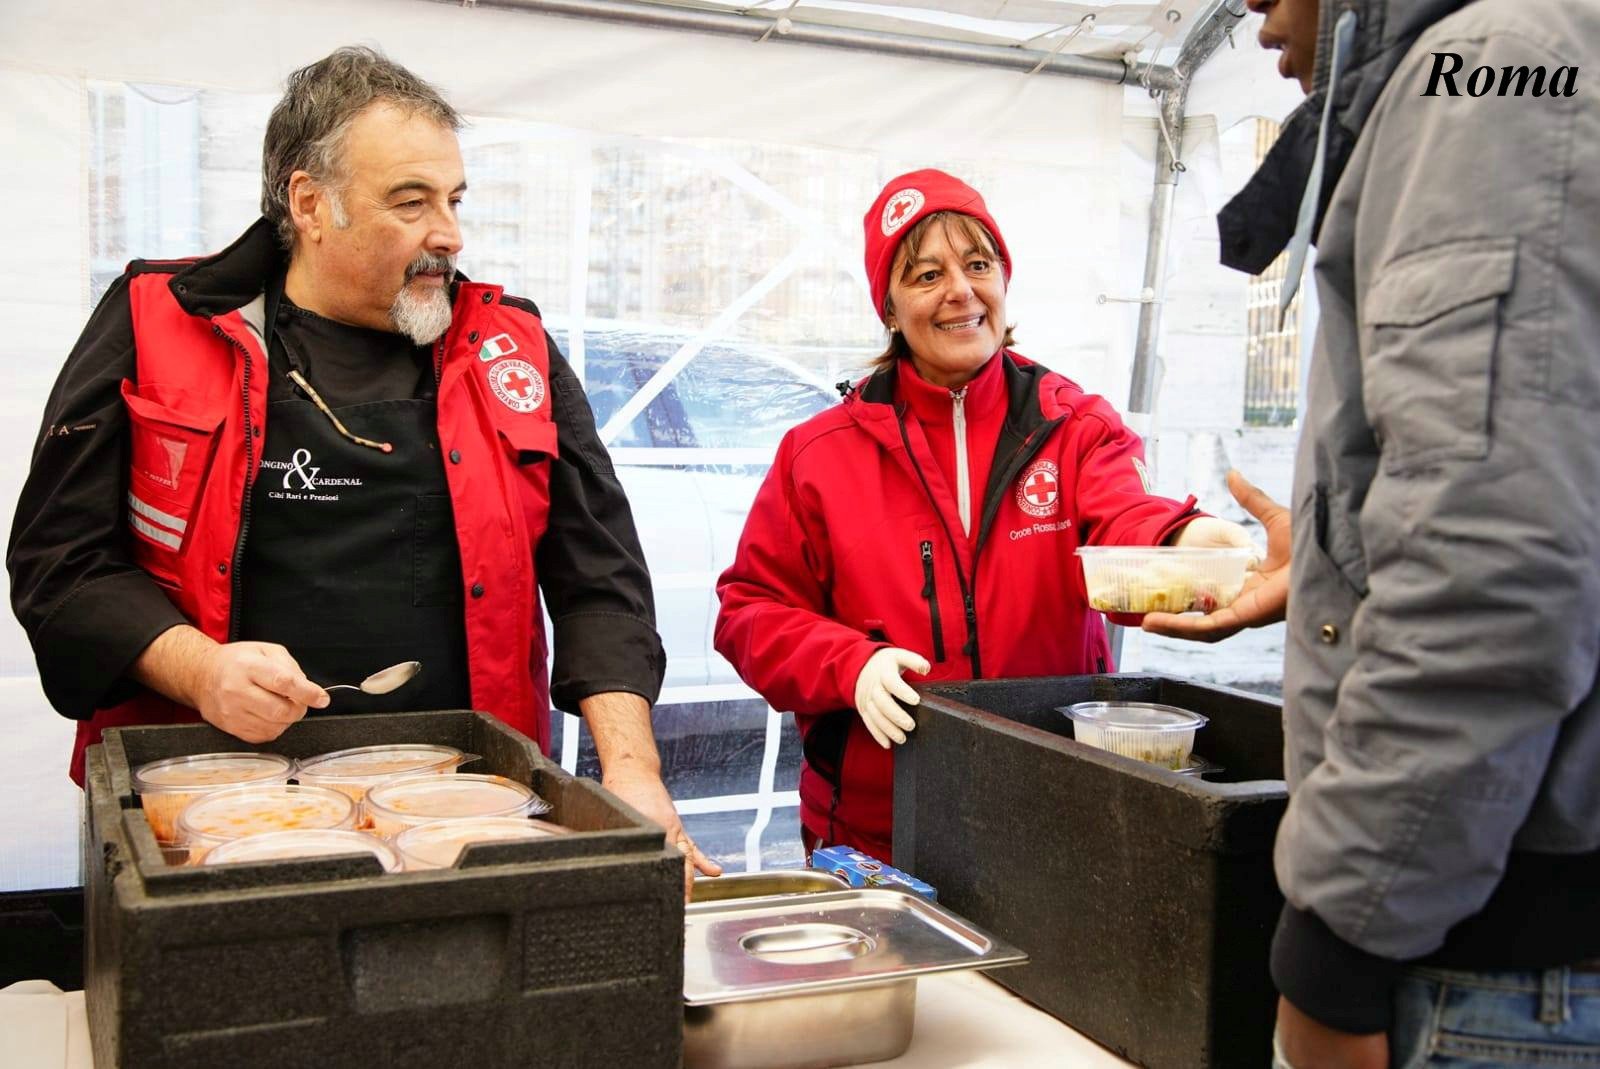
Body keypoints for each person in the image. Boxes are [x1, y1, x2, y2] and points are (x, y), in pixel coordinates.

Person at [6, 46, 718, 890]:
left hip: (462, 808)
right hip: (214, 812)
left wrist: (631, 767)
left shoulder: (509, 345)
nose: (448, 233)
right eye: (410, 202)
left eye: (453, 199)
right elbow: (60, 565)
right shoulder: (159, 321)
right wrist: (198, 668)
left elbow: (601, 581)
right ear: (310, 203)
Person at [1148, 0, 1600, 1063]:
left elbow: (1490, 572)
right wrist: (1330, 569)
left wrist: (1338, 947)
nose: (1255, 18)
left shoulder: (1487, 72)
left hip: (1487, 969)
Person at [713, 169, 1252, 863]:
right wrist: (849, 663)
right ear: (889, 305)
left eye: (977, 265)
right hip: (879, 829)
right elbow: (749, 610)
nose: (960, 292)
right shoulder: (817, 454)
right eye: (926, 274)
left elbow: (1123, 520)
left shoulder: (1073, 425)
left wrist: (1185, 539)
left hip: (1058, 814)